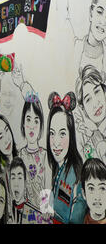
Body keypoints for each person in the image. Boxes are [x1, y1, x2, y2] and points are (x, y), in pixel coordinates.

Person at [46, 92, 87, 224]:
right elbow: (48, 205)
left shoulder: (76, 173)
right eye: (52, 133)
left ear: (71, 135)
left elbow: (76, 215)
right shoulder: (57, 167)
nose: (56, 142)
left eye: (62, 133)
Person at [81, 158, 106, 224]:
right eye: (91, 188)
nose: (97, 197)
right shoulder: (81, 220)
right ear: (84, 194)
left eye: (102, 188)